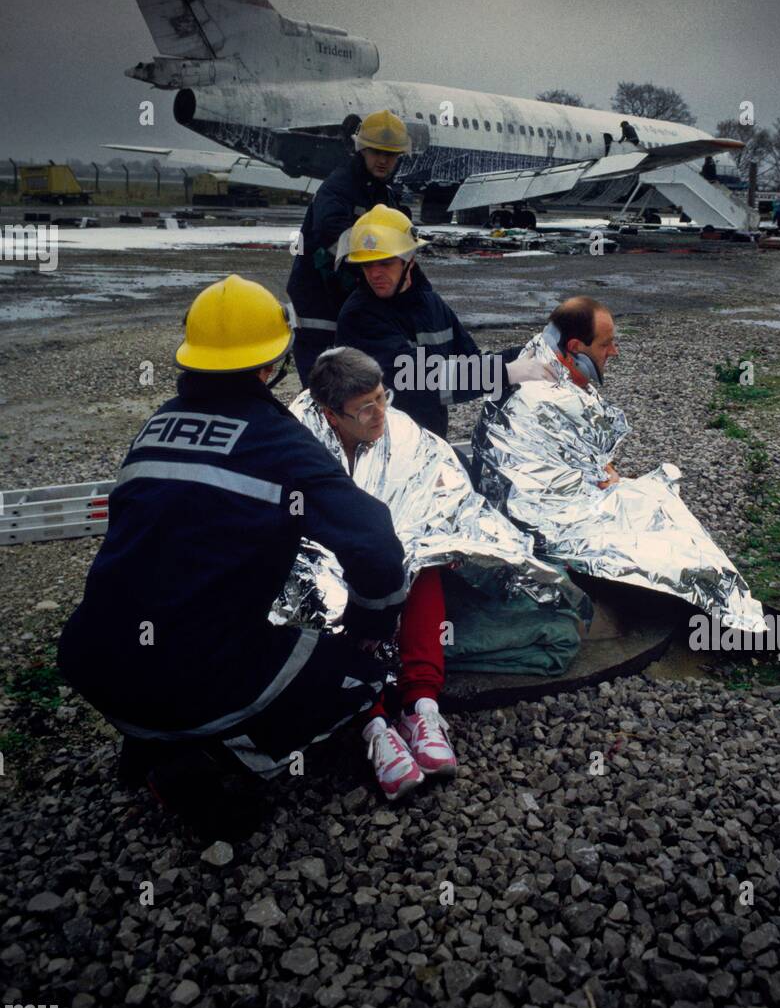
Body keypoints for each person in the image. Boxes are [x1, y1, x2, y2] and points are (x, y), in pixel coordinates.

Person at [56, 275, 408, 831]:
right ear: (273, 365)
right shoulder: (277, 440)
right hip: (193, 675)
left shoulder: (156, 426)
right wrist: (371, 623)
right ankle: (208, 759)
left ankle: (150, 737)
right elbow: (375, 542)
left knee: (178, 641)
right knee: (364, 676)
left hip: (93, 662)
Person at [473, 295, 780, 684]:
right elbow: (535, 494)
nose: (615, 352)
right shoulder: (539, 394)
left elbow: (576, 464)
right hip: (546, 541)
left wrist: (607, 483)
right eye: (607, 344)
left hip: (568, 515)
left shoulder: (549, 369)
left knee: (672, 544)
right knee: (673, 584)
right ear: (575, 347)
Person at [303, 348, 457, 800]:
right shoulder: (299, 437)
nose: (379, 414)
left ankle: (421, 706)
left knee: (424, 560)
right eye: (365, 408)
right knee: (322, 591)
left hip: (394, 549)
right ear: (332, 415)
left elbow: (442, 478)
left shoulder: (401, 428)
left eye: (381, 398)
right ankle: (372, 722)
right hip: (329, 559)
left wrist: (447, 527)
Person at [335, 205, 549, 438]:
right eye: (367, 264)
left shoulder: (431, 305)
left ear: (409, 260)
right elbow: (416, 379)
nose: (375, 273)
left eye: (385, 262)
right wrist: (503, 373)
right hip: (380, 447)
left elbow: (470, 360)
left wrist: (530, 351)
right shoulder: (359, 316)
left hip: (425, 441)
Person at [287, 110, 410, 383]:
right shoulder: (339, 186)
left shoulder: (384, 194)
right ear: (362, 150)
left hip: (349, 298)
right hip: (319, 300)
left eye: (390, 154)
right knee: (321, 382)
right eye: (376, 152)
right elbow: (330, 233)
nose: (383, 160)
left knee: (352, 381)